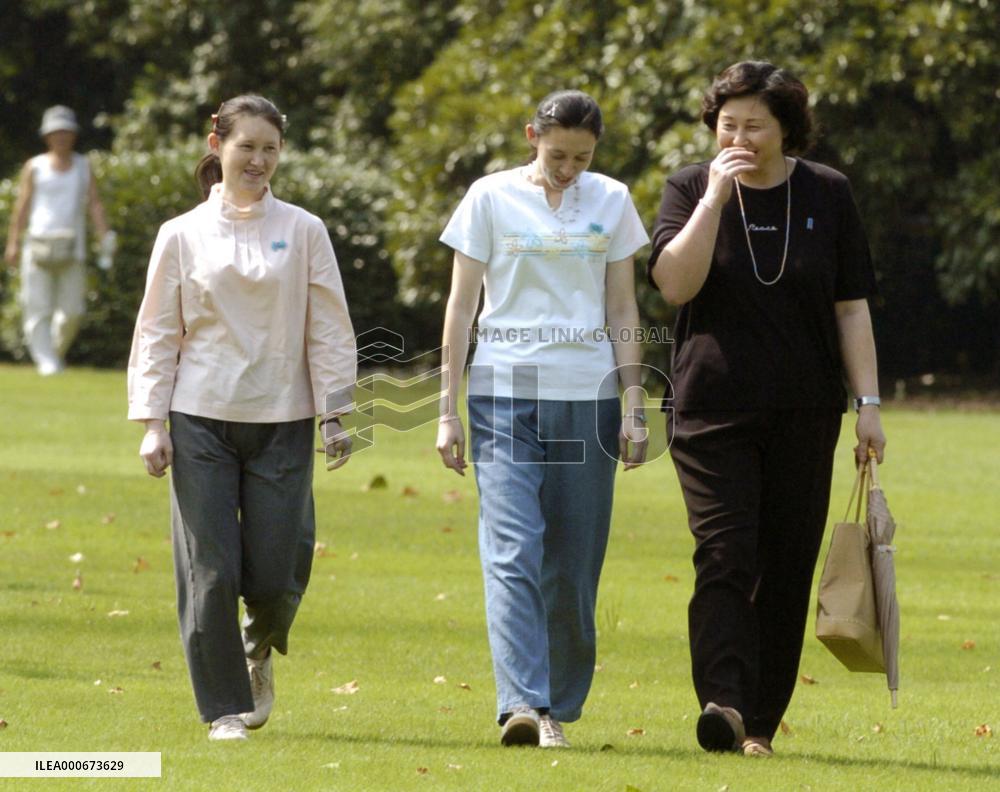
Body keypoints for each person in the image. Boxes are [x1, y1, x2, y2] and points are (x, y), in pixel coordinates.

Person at [648, 61, 887, 757]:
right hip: (708, 410)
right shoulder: (691, 187)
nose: (741, 137)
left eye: (756, 125)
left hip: (806, 410)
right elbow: (673, 284)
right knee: (723, 554)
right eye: (729, 125)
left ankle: (759, 724)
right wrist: (714, 201)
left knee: (785, 564)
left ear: (787, 129)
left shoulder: (828, 193)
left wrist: (868, 403)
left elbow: (851, 308)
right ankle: (721, 701)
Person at [126, 95, 356, 742]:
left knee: (277, 572)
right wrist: (152, 420)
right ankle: (224, 708)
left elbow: (329, 326)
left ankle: (260, 646)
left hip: (283, 419)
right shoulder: (181, 234)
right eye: (246, 146)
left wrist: (335, 412)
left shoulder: (305, 229)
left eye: (270, 149)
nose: (258, 160)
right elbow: (157, 330)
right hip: (199, 415)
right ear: (217, 145)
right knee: (211, 569)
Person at [436, 90, 650, 748]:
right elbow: (460, 307)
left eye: (581, 157)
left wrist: (634, 405)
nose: (568, 168)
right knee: (512, 551)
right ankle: (522, 705)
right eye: (557, 154)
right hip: (504, 387)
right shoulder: (490, 197)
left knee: (572, 562)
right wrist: (447, 409)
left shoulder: (611, 200)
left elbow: (621, 310)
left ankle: (558, 703)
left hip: (586, 393)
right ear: (532, 135)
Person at [4, 105, 113, 375]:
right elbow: (23, 206)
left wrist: (104, 236)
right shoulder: (35, 166)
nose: (61, 137)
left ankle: (51, 354)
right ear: (47, 136)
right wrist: (13, 242)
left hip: (71, 246)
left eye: (65, 132)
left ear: (73, 135)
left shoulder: (83, 166)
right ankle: (47, 362)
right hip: (38, 244)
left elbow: (94, 204)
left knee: (73, 310)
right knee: (37, 306)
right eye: (56, 133)